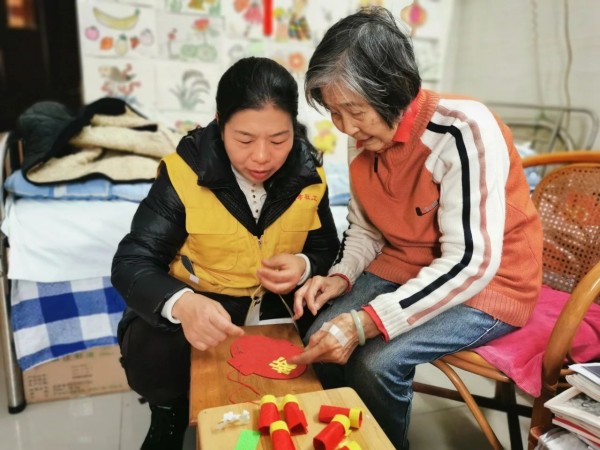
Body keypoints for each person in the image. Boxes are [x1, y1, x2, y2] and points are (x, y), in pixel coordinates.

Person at [288, 7, 543, 449]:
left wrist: (366, 322)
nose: (345, 127)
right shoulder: (361, 137)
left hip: (491, 279)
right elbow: (366, 230)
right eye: (333, 111)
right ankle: (337, 436)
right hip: (405, 263)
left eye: (355, 110)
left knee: (376, 362)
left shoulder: (462, 131)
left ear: (395, 90)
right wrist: (340, 276)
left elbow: (471, 262)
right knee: (318, 336)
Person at [111, 57, 340, 450]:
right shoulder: (184, 172)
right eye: (245, 140)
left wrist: (304, 266)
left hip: (277, 305)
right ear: (219, 123)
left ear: (294, 128)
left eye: (279, 139)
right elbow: (133, 260)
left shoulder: (309, 173)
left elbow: (325, 248)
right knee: (153, 345)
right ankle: (167, 412)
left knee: (336, 332)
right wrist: (183, 304)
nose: (262, 157)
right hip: (209, 302)